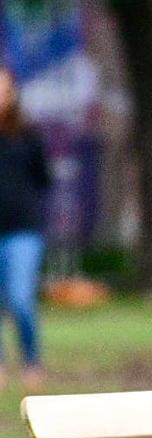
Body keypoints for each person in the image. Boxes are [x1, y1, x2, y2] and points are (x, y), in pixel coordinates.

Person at [0, 66, 50, 391]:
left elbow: (43, 179)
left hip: (22, 231)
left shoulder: (28, 136)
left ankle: (32, 361)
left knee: (19, 299)